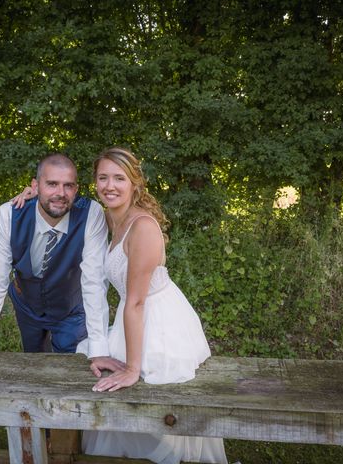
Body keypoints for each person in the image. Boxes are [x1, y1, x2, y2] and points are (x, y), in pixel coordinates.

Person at [14, 148, 227, 464]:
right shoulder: (106, 216)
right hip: (133, 315)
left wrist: (132, 368)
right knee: (106, 399)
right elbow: (61, 200)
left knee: (151, 409)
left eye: (119, 178)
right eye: (103, 178)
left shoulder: (142, 226)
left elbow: (138, 301)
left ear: (135, 184)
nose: (110, 185)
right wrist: (31, 194)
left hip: (157, 321)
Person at [0, 153, 120, 374]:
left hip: (71, 308)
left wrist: (98, 350)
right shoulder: (9, 215)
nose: (60, 193)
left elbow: (94, 281)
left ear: (76, 189)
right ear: (35, 185)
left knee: (72, 368)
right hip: (27, 305)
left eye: (68, 186)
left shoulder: (91, 214)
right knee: (34, 365)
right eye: (51, 184)